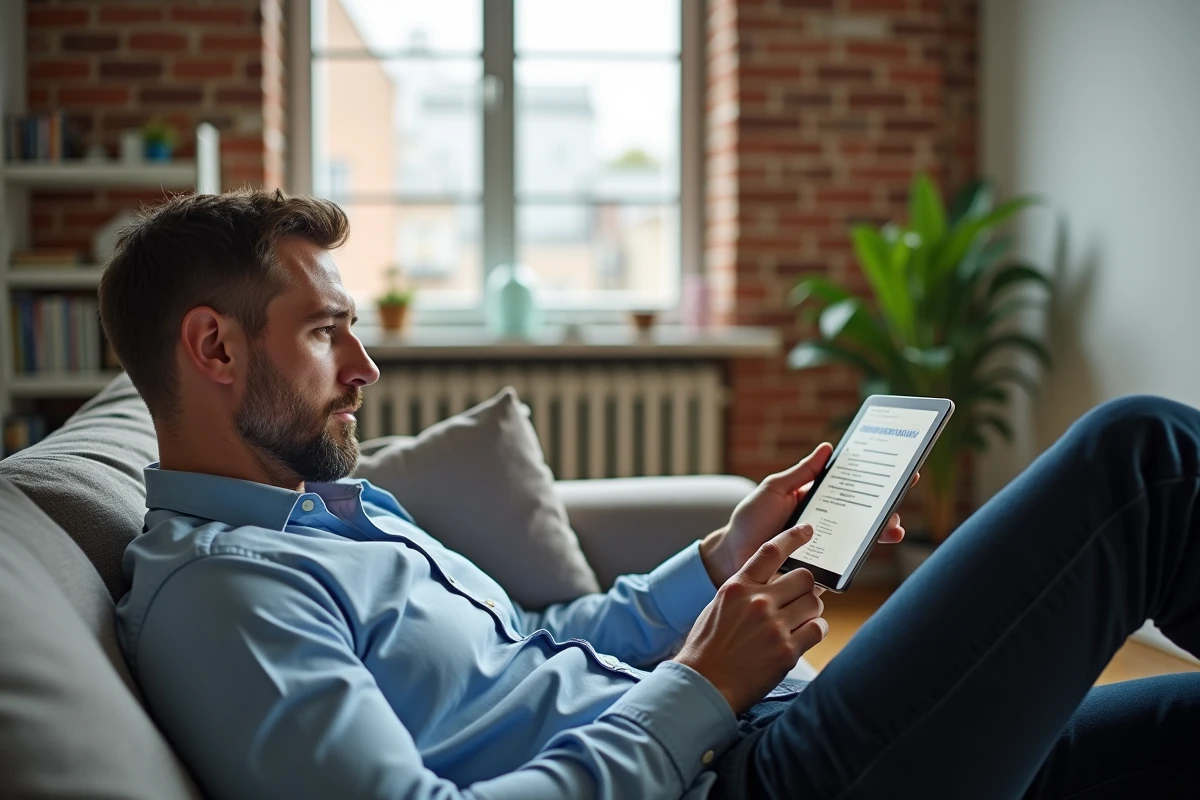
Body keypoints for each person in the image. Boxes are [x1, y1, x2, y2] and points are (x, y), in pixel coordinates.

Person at [100, 190, 1199, 800]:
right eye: (326, 331)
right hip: (750, 781)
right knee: (1141, 463)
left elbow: (537, 640)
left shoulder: (332, 508)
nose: (364, 368)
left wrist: (721, 557)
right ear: (215, 347)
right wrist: (701, 689)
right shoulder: (223, 595)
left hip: (768, 733)